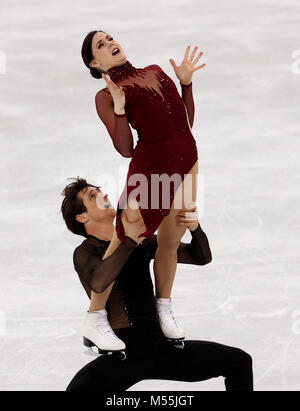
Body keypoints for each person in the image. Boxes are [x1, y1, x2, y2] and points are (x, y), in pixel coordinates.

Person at [61, 178, 253, 391]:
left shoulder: (142, 242)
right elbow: (99, 282)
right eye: (92, 196)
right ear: (82, 217)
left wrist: (194, 228)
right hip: (124, 353)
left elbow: (200, 257)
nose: (104, 195)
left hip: (159, 345)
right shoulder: (86, 251)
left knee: (239, 362)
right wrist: (129, 240)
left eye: (100, 191)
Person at [81, 29, 206, 343]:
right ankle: (95, 318)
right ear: (95, 64)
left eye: (110, 38)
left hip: (187, 161)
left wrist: (186, 84)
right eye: (101, 45)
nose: (110, 43)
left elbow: (185, 122)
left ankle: (163, 306)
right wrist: (121, 108)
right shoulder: (106, 94)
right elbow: (125, 148)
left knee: (170, 240)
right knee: (125, 238)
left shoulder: (155, 71)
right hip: (151, 170)